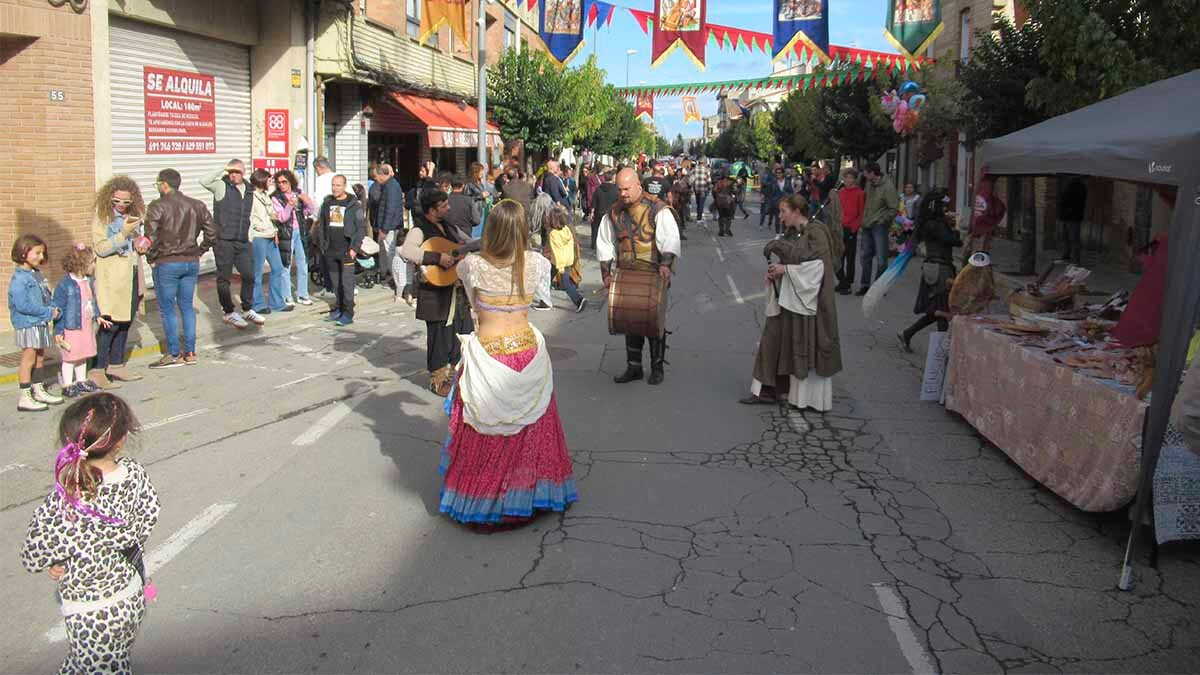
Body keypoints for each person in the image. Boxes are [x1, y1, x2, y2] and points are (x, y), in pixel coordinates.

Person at [440, 200, 576, 527]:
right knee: (529, 432)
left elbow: (471, 299)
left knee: (486, 432)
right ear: (523, 230)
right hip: (527, 351)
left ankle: (484, 498)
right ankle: (525, 494)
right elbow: (543, 292)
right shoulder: (537, 264)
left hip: (488, 351)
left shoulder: (472, 265)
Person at [20, 393, 160, 675]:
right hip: (131, 594)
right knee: (98, 659)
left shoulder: (68, 500)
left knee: (102, 665)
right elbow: (149, 515)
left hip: (91, 610)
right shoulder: (135, 475)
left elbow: (32, 556)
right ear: (121, 440)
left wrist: (58, 558)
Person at [740, 194, 842, 411]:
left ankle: (786, 392)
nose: (780, 216)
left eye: (783, 211)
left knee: (801, 345)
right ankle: (768, 389)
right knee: (772, 338)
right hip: (790, 295)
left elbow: (817, 268)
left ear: (796, 212)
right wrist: (777, 271)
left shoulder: (817, 232)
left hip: (809, 303)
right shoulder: (795, 232)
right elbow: (795, 258)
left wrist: (784, 266)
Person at [596, 168, 681, 385]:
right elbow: (605, 244)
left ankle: (657, 367)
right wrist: (606, 275)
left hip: (653, 274)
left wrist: (666, 265)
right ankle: (634, 367)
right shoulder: (613, 213)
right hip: (626, 273)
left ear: (638, 186)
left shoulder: (657, 209)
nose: (622, 193)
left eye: (626, 188)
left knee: (653, 320)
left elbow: (670, 239)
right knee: (629, 320)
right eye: (619, 189)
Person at [401, 189, 476, 396]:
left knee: (459, 334)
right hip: (434, 293)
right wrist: (437, 258)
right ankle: (438, 379)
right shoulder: (419, 230)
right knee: (439, 337)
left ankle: (454, 375)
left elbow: (467, 243)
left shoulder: (449, 227)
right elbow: (406, 251)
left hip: (455, 291)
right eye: (443, 205)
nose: (448, 208)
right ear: (432, 210)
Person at [143, 168, 217, 368]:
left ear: (164, 184)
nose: (158, 187)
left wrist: (151, 257)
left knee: (168, 309)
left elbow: (151, 237)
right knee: (186, 306)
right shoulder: (197, 205)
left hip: (167, 262)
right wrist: (200, 250)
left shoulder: (157, 206)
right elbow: (212, 233)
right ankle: (190, 351)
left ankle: (173, 353)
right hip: (190, 261)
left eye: (158, 184)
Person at [91, 176, 150, 389]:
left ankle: (116, 364)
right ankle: (97, 369)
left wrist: (141, 243)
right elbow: (101, 249)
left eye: (127, 201)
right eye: (118, 201)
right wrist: (123, 233)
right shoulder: (102, 218)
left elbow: (135, 242)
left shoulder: (134, 216)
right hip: (112, 278)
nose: (122, 206)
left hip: (131, 273)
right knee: (110, 323)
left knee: (126, 321)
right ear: (110, 198)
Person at [201, 159, 265, 329]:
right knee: (224, 277)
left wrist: (250, 237)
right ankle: (228, 312)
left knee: (249, 275)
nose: (234, 175)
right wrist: (223, 167)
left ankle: (247, 308)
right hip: (224, 240)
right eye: (231, 172)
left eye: (237, 172)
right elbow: (204, 181)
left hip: (242, 240)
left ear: (243, 173)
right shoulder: (222, 186)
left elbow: (251, 214)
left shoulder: (249, 189)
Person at [898, 189, 961, 353]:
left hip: (938, 267)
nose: (947, 210)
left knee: (938, 310)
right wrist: (957, 226)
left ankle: (908, 334)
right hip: (939, 269)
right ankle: (943, 353)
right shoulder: (934, 225)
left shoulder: (931, 222)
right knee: (941, 310)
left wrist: (949, 223)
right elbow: (955, 241)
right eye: (944, 206)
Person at [9, 234, 64, 411]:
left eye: (42, 253)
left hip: (39, 322)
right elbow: (22, 305)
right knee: (29, 357)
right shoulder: (19, 279)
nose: (41, 257)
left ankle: (38, 388)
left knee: (40, 356)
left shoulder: (37, 275)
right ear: (24, 252)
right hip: (27, 323)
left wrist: (53, 307)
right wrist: (47, 311)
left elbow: (45, 296)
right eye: (37, 253)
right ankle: (25, 396)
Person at [52, 245, 108, 397]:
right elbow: (59, 309)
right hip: (72, 327)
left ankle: (81, 380)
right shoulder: (65, 285)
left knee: (83, 354)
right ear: (81, 265)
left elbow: (92, 302)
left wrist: (98, 316)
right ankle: (68, 384)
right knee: (70, 357)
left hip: (85, 325)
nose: (94, 266)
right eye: (92, 263)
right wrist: (58, 331)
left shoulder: (88, 281)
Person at [314, 175, 366, 326]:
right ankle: (338, 309)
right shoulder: (327, 202)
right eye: (333, 185)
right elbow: (322, 225)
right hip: (331, 250)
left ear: (344, 186)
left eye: (338, 185)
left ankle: (348, 313)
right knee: (335, 284)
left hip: (347, 251)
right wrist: (322, 245)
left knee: (347, 284)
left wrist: (354, 248)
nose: (335, 188)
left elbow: (360, 229)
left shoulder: (353, 204)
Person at [246, 168, 291, 316]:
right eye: (269, 179)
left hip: (271, 236)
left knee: (277, 268)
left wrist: (276, 228)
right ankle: (257, 304)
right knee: (257, 272)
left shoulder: (265, 195)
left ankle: (276, 303)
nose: (271, 182)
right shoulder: (251, 197)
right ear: (261, 180)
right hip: (259, 237)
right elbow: (251, 218)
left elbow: (271, 215)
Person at [271, 170, 316, 306]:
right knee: (286, 263)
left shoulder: (298, 193)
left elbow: (308, 212)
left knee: (303, 263)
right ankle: (286, 296)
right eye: (279, 183)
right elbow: (282, 217)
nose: (282, 185)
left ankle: (303, 294)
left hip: (300, 231)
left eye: (284, 182)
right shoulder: (275, 197)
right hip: (286, 233)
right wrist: (290, 205)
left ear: (290, 181)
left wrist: (307, 202)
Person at [856, 162, 899, 296]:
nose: (863, 175)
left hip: (879, 225)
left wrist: (882, 220)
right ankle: (865, 285)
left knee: (881, 258)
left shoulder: (887, 187)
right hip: (867, 224)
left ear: (873, 173)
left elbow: (893, 208)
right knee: (865, 256)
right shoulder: (869, 184)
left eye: (866, 173)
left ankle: (878, 287)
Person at [542, 205, 586, 312]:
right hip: (566, 260)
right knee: (547, 278)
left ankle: (579, 300)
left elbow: (557, 252)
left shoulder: (553, 234)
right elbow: (570, 245)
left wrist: (560, 267)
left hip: (559, 262)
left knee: (565, 284)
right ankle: (543, 299)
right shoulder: (566, 230)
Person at [374, 164, 406, 294]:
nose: (376, 179)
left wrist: (385, 229)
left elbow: (390, 209)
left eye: (376, 176)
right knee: (388, 253)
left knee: (390, 253)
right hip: (390, 225)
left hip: (391, 226)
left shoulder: (391, 187)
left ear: (383, 175)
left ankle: (394, 279)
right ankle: (391, 277)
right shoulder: (389, 185)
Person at [963, 176, 1006, 265]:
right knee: (980, 252)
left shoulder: (980, 190)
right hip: (984, 227)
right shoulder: (988, 193)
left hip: (976, 226)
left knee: (972, 249)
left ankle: (967, 267)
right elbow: (998, 209)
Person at [835, 167, 865, 295]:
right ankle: (842, 281)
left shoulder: (860, 193)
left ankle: (848, 282)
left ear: (854, 179)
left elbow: (861, 212)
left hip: (851, 228)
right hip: (840, 227)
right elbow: (836, 210)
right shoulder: (840, 192)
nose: (848, 180)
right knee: (838, 256)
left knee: (850, 257)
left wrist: (855, 227)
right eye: (846, 177)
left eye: (850, 178)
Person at [1058, 176, 1087, 265]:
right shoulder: (1069, 185)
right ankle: (1067, 256)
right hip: (1068, 216)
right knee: (1066, 237)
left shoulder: (1079, 187)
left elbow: (1073, 201)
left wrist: (1066, 208)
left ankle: (1075, 260)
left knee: (1073, 239)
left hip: (1073, 217)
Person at [445, 175, 483, 242]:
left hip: (448, 235)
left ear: (451, 185)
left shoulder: (445, 200)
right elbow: (477, 220)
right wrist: (467, 222)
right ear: (463, 185)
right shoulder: (469, 200)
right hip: (466, 235)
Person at [589, 169, 620, 251]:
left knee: (596, 229)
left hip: (599, 213)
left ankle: (594, 245)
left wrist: (592, 213)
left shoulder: (598, 189)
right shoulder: (616, 190)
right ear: (613, 178)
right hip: (611, 214)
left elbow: (594, 202)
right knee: (610, 230)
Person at [760, 166, 792, 234]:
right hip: (776, 203)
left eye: (780, 173)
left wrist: (786, 194)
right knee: (777, 219)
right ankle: (777, 233)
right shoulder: (774, 182)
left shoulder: (787, 182)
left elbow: (791, 192)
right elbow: (768, 190)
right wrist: (763, 194)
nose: (778, 174)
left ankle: (783, 233)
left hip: (785, 203)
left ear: (783, 173)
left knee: (784, 219)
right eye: (777, 173)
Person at [711, 170, 738, 237]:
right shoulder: (732, 182)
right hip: (728, 201)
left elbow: (714, 191)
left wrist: (716, 198)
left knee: (721, 216)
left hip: (719, 201)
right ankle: (727, 230)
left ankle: (721, 231)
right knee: (729, 217)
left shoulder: (718, 182)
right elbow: (735, 191)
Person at [692, 155, 712, 222]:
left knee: (698, 203)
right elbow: (709, 181)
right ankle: (699, 218)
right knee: (701, 204)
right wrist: (710, 189)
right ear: (704, 162)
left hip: (696, 189)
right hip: (703, 190)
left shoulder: (694, 169)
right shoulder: (707, 170)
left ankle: (698, 216)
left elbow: (691, 180)